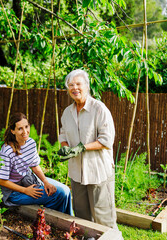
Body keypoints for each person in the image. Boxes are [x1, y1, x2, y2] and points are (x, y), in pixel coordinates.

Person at [58, 69, 118, 229]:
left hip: (98, 170)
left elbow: (106, 140)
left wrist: (81, 148)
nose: (74, 88)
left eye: (78, 84)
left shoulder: (99, 109)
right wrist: (65, 148)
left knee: (102, 214)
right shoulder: (67, 113)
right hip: (77, 172)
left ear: (87, 86)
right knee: (81, 214)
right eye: (70, 85)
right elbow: (63, 135)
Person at [0, 112, 73, 215]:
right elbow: (2, 181)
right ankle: (50, 221)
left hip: (29, 180)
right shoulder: (7, 151)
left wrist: (46, 182)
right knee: (57, 194)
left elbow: (35, 165)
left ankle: (69, 223)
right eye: (20, 128)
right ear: (13, 131)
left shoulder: (30, 143)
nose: (25, 132)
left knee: (66, 191)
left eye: (26, 127)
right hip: (15, 193)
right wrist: (25, 191)